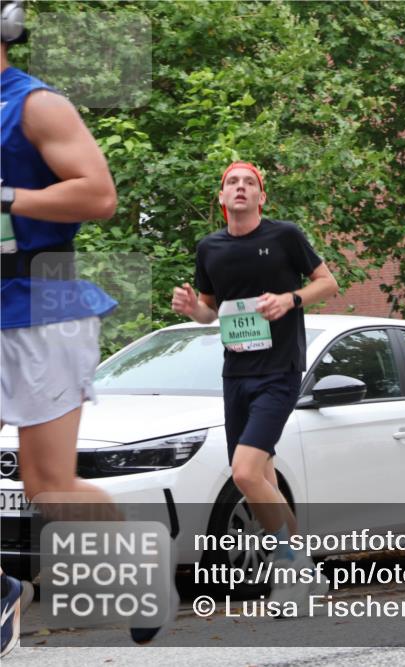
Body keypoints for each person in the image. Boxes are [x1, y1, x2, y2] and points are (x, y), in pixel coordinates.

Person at [0, 0, 124, 654]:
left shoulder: (36, 105)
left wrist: (8, 197)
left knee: (48, 483)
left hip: (41, 296)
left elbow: (99, 195)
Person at [171, 161, 338, 614]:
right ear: (222, 198)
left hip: (280, 371)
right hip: (236, 373)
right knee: (261, 480)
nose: (240, 188)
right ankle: (308, 571)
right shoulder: (210, 248)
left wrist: (290, 299)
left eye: (249, 183)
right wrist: (192, 309)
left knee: (245, 473)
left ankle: (291, 570)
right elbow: (210, 313)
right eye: (232, 183)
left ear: (261, 198)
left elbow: (328, 281)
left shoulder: (284, 236)